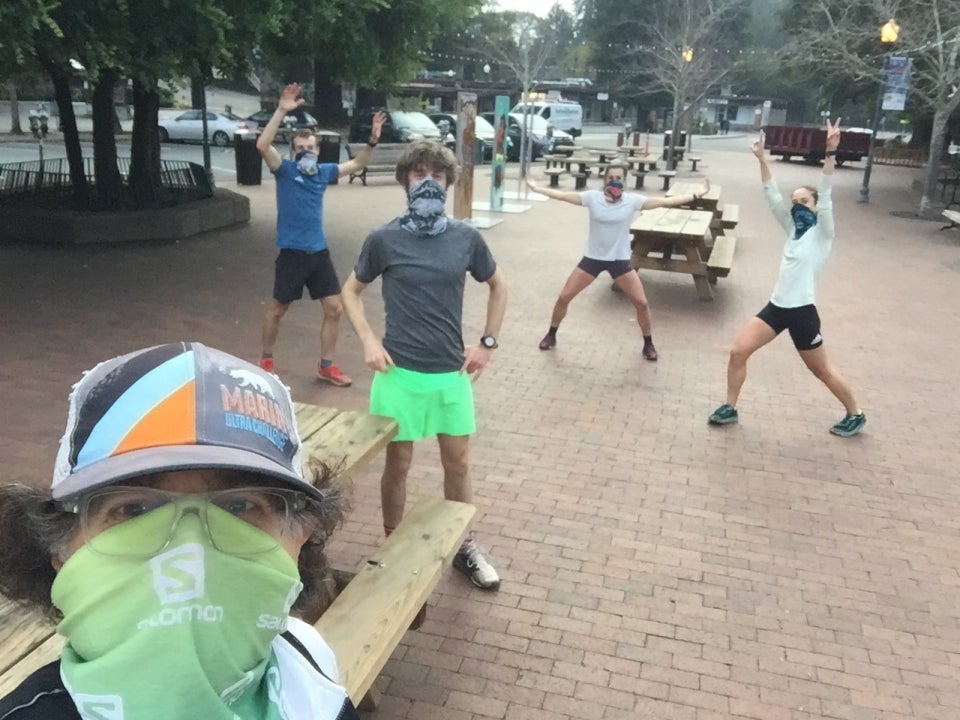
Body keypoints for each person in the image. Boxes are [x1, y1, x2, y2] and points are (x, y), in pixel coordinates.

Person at [0, 342, 359, 719]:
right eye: (134, 510)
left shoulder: (309, 664)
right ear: (61, 550)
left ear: (298, 538)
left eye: (239, 507)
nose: (191, 552)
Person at [340, 141, 508, 591]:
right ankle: (392, 543)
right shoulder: (384, 238)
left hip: (450, 376)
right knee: (399, 462)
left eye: (437, 174)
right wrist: (369, 340)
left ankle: (464, 545)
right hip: (398, 376)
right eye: (419, 174)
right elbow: (349, 291)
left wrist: (487, 344)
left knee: (458, 463)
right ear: (405, 181)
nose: (428, 181)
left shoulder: (466, 238)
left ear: (449, 182)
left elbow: (499, 286)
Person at [708, 119, 866, 437]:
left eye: (804, 202)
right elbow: (771, 195)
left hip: (803, 312)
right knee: (738, 352)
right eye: (795, 202)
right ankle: (730, 407)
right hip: (777, 308)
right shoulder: (792, 228)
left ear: (816, 206)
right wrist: (762, 160)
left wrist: (830, 151)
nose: (797, 207)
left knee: (820, 369)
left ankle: (856, 413)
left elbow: (827, 190)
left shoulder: (823, 232)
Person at [256, 82, 386, 387]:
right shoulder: (284, 171)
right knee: (277, 309)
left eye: (310, 147)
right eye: (300, 148)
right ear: (293, 152)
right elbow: (262, 146)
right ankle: (265, 360)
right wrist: (280, 110)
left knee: (334, 307)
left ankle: (326, 366)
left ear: (318, 149)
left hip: (318, 253)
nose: (305, 152)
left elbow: (358, 163)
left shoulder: (324, 172)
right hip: (291, 253)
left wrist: (372, 140)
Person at [526, 163, 710, 361]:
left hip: (619, 261)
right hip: (593, 258)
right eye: (610, 177)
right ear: (604, 179)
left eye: (619, 178)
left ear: (624, 180)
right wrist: (536, 188)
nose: (614, 180)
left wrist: (696, 195)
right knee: (564, 297)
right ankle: (551, 334)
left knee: (641, 303)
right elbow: (562, 195)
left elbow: (663, 202)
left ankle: (648, 343)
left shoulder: (632, 201)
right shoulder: (592, 198)